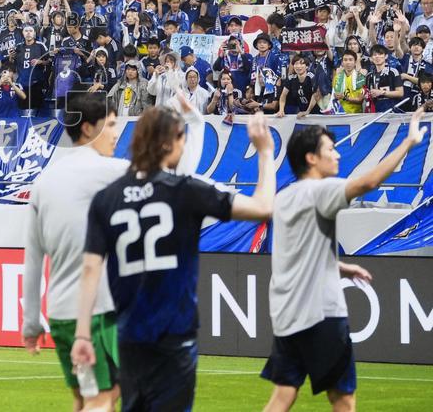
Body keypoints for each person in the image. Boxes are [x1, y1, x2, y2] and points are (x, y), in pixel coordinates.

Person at [71, 109, 277, 411]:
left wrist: (82, 334)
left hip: (129, 337)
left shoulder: (106, 198)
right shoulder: (186, 190)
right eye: (182, 138)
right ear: (168, 143)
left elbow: (90, 268)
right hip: (173, 336)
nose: (184, 145)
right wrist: (265, 152)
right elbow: (263, 207)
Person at [24, 90, 205, 412]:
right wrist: (195, 122)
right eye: (109, 125)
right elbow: (177, 177)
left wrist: (31, 322)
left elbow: (33, 258)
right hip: (96, 312)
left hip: (62, 312)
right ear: (87, 129)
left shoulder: (43, 182)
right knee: (103, 399)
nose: (116, 133)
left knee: (85, 398)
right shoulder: (109, 172)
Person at [261, 109, 428, 411]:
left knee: (283, 394)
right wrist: (409, 142)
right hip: (321, 312)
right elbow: (367, 184)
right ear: (311, 158)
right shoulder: (322, 190)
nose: (337, 154)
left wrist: (337, 266)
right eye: (330, 149)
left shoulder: (284, 197)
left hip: (287, 313)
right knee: (343, 398)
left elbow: (293, 254)